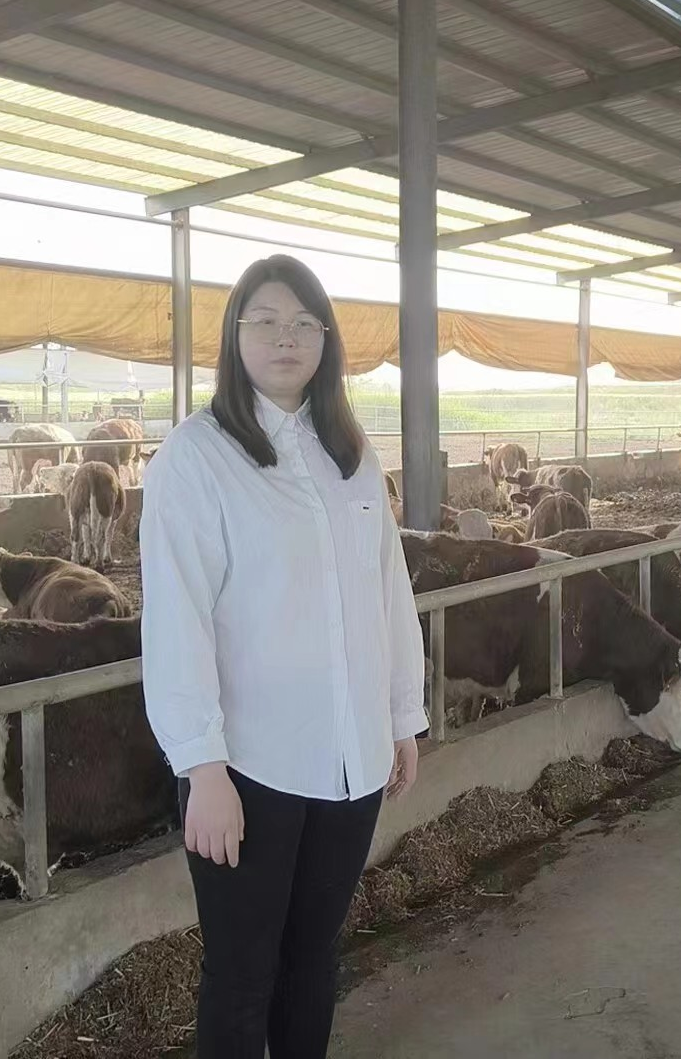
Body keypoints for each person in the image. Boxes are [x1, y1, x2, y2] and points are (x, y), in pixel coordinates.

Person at [140, 255, 428, 1060]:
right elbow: (178, 620)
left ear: (327, 341)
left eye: (304, 322)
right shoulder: (196, 457)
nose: (285, 338)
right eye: (264, 321)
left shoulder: (351, 455)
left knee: (313, 961)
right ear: (235, 338)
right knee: (242, 974)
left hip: (353, 761)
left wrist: (401, 717)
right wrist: (201, 768)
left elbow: (388, 591)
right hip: (249, 769)